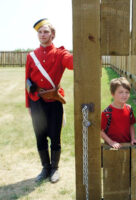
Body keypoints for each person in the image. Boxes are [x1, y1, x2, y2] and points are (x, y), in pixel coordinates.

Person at [25, 18, 73, 183]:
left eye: (46, 32)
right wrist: (28, 105)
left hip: (54, 101)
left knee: (55, 136)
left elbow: (72, 63)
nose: (42, 34)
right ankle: (45, 168)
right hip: (36, 101)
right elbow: (27, 81)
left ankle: (55, 168)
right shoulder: (31, 56)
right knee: (40, 136)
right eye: (40, 32)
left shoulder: (60, 53)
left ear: (52, 34)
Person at [101, 77, 136, 149]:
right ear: (112, 94)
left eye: (127, 92)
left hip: (128, 145)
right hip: (111, 147)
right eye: (121, 92)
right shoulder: (107, 113)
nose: (124, 95)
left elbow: (131, 125)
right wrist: (110, 142)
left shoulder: (129, 109)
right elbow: (100, 131)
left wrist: (133, 139)